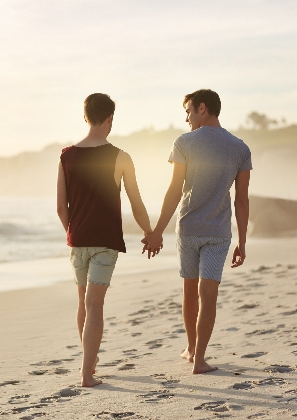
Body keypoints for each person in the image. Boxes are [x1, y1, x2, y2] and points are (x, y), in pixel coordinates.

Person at [142, 89, 252, 374]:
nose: (187, 118)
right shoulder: (239, 147)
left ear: (202, 108)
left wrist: (157, 232)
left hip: (188, 229)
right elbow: (242, 200)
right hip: (218, 232)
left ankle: (191, 350)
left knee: (190, 292)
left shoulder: (184, 143)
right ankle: (200, 359)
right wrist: (242, 240)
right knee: (209, 294)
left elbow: (174, 191)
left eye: (189, 111)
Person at [57, 93, 153, 387]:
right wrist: (149, 232)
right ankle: (87, 374)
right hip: (105, 241)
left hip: (78, 240)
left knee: (83, 303)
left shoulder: (66, 155)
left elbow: (61, 208)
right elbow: (136, 203)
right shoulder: (120, 157)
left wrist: (72, 233)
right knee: (95, 304)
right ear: (110, 118)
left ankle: (90, 361)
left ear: (85, 116)